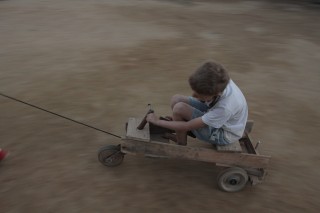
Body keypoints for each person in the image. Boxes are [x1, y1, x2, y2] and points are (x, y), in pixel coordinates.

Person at [146, 61, 248, 146]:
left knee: (179, 109)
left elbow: (187, 126)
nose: (194, 95)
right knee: (176, 99)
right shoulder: (221, 80)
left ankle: (181, 142)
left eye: (199, 94)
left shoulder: (225, 108)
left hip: (222, 134)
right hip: (217, 113)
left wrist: (157, 121)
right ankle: (180, 135)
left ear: (215, 94)